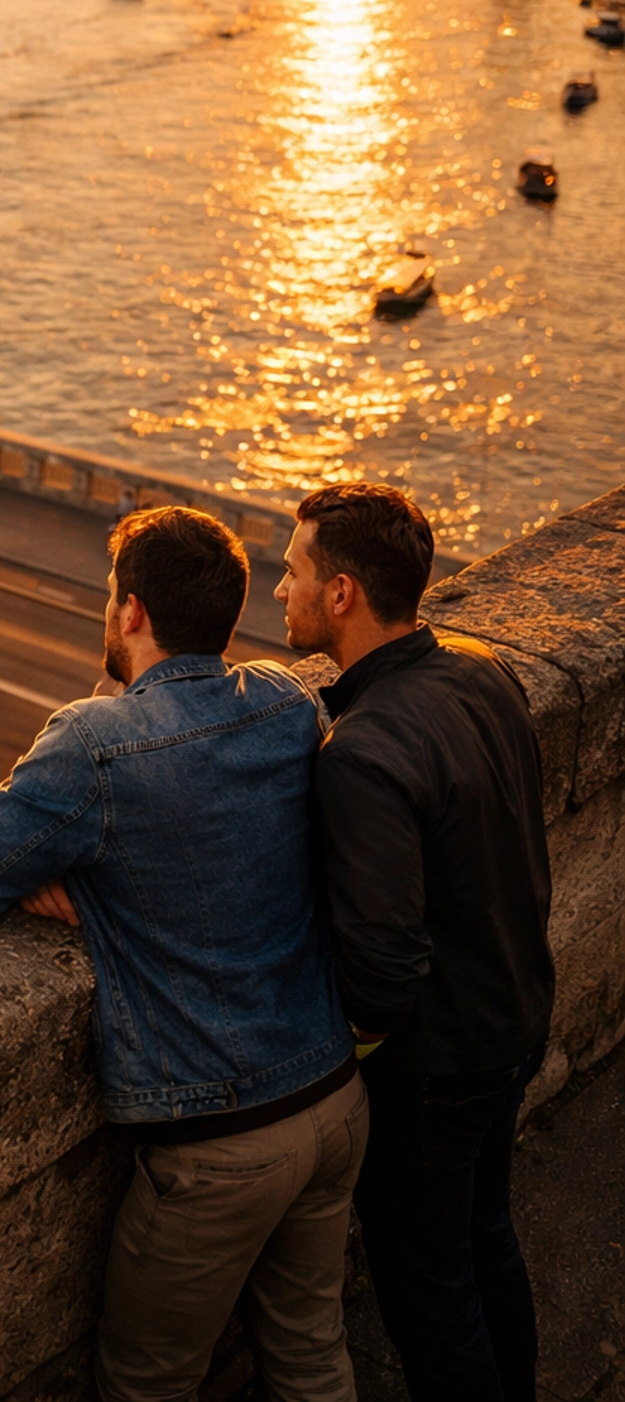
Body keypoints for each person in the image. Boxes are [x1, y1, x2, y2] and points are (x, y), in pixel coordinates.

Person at [0, 506, 363, 1402]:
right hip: (333, 1100)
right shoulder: (286, 701)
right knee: (312, 1354)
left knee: (147, 1383)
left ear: (129, 613)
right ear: (228, 619)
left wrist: (84, 881)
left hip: (218, 1142)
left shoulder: (92, 743)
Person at [278, 482, 554, 1402]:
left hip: (436, 1069)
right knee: (487, 1238)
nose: (280, 591)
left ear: (344, 592)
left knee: (431, 1298)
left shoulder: (360, 751)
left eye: (292, 572)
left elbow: (384, 962)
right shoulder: (480, 670)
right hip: (513, 1016)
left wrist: (349, 1053)